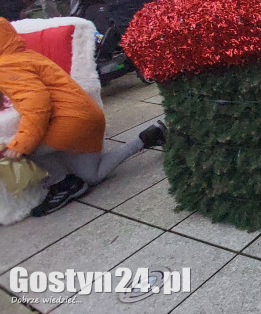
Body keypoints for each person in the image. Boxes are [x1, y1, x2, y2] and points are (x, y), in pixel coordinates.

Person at [0, 18, 167, 216]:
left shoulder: (7, 65)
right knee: (92, 175)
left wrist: (20, 145)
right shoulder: (22, 55)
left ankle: (62, 183)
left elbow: (36, 105)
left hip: (69, 124)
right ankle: (150, 135)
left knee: (17, 146)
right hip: (87, 118)